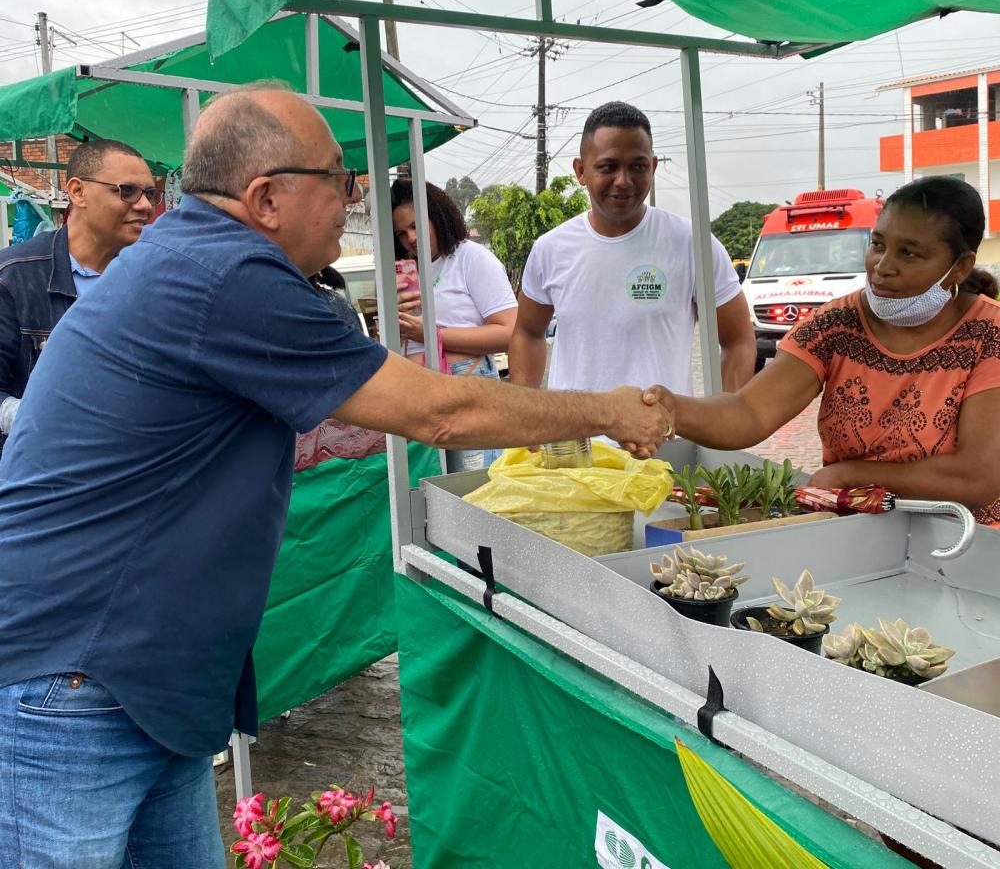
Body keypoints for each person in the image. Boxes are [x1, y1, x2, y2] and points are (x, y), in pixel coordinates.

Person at [0, 84, 673, 868]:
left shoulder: (194, 258)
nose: (353, 198)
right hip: (79, 679)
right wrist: (608, 411)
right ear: (267, 197)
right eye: (340, 180)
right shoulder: (226, 275)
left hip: (146, 681)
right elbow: (441, 413)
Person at [664, 175, 1000, 525]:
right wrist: (666, 409)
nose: (882, 267)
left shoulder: (989, 335)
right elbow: (749, 411)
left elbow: (977, 476)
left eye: (910, 253)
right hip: (855, 533)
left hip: (968, 545)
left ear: (959, 267)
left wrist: (848, 475)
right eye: (878, 245)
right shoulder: (836, 325)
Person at [508, 101, 756, 400]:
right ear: (581, 170)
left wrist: (720, 425)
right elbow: (527, 333)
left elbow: (739, 340)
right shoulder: (550, 249)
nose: (623, 181)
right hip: (578, 442)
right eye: (608, 167)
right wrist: (528, 414)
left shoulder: (693, 244)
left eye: (637, 167)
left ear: (652, 166)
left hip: (664, 444)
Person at [0, 138, 155, 447]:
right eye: (127, 191)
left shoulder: (153, 275)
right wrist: (55, 418)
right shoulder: (14, 277)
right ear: (77, 191)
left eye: (150, 193)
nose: (145, 206)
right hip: (41, 476)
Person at [391, 177, 518, 470]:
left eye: (415, 225)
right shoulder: (411, 270)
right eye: (400, 233)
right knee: (438, 494)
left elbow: (510, 331)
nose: (410, 238)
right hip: (421, 395)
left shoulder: (470, 258)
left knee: (471, 492)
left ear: (438, 215)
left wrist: (433, 334)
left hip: (466, 385)